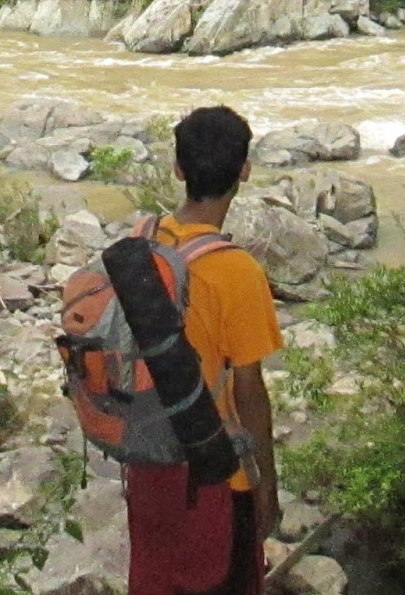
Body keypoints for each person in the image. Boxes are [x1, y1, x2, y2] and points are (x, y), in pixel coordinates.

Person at [125, 105, 283, 595]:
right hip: (218, 474)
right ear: (245, 171)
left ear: (177, 169)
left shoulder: (142, 239)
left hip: (149, 460)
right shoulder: (237, 273)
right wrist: (267, 487)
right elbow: (249, 392)